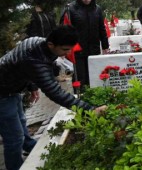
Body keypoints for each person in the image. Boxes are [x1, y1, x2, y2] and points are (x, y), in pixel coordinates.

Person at [0, 25, 106, 170]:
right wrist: (89, 109)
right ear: (51, 44)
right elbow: (54, 92)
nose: (68, 53)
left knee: (21, 120)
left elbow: (20, 65)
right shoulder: (34, 58)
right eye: (65, 49)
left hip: (12, 87)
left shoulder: (38, 42)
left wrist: (32, 86)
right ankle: (16, 166)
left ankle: (30, 147)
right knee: (14, 138)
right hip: (3, 93)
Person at [60, 0, 110, 87]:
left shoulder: (97, 9)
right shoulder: (71, 9)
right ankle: (79, 98)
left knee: (94, 75)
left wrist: (105, 46)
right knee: (80, 77)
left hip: (94, 48)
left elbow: (102, 28)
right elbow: (64, 30)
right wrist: (64, 48)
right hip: (78, 50)